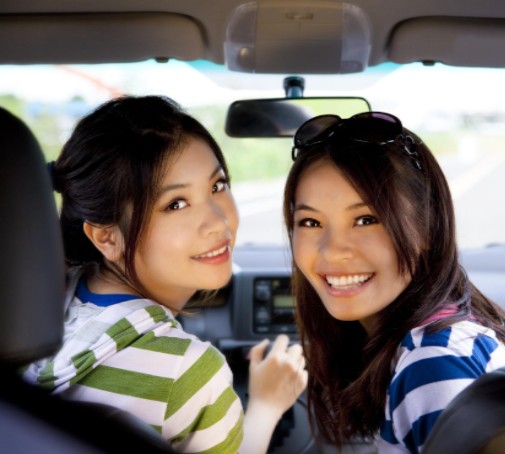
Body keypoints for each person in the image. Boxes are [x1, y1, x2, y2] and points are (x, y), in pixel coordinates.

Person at [23, 95, 308, 454]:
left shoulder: (36, 313)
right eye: (175, 204)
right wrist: (267, 405)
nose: (219, 223)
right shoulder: (190, 373)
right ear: (106, 237)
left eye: (217, 186)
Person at [282, 111, 505, 453]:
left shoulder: (433, 361)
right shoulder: (445, 338)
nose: (333, 251)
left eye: (366, 219)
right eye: (311, 222)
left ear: (427, 229)